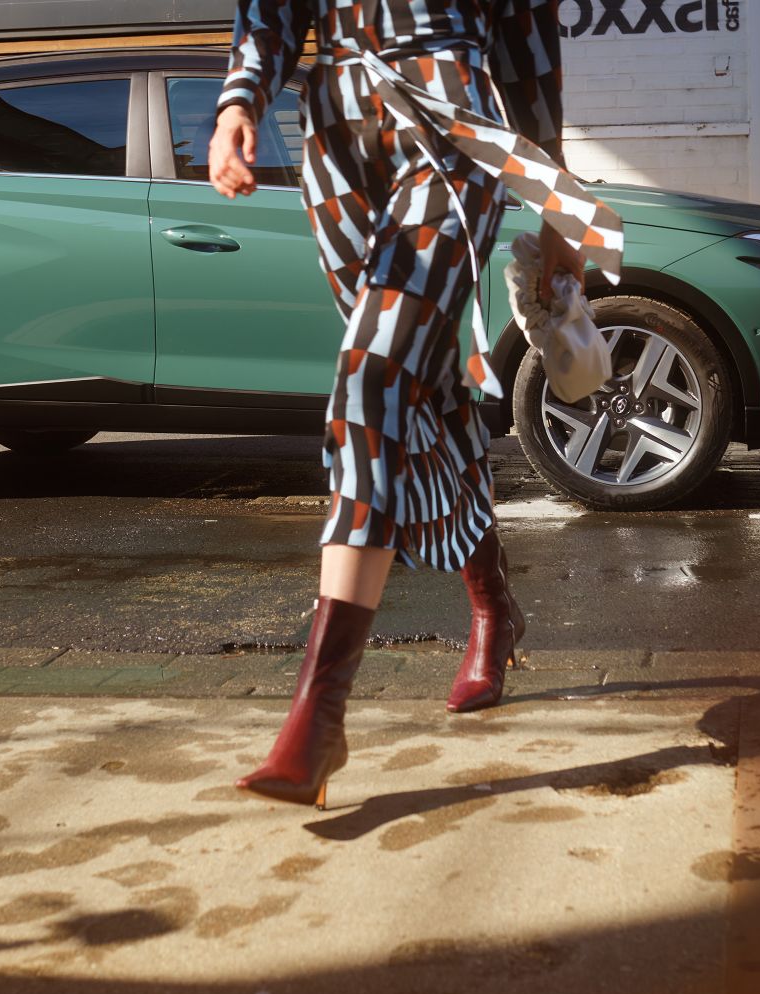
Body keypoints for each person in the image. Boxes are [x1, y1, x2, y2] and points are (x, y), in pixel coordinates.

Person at [213, 0, 626, 808]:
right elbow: (269, 10)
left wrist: (557, 209)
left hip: (451, 113)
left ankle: (318, 712)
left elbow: (530, 50)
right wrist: (239, 100)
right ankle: (493, 604)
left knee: (371, 377)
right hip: (331, 131)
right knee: (417, 394)